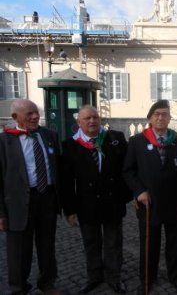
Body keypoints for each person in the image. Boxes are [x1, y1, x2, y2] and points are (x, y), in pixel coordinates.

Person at [123, 100, 177, 295]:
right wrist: (139, 192)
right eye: (157, 114)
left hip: (175, 204)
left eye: (165, 114)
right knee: (149, 244)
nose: (161, 117)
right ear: (150, 118)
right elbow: (128, 171)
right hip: (148, 204)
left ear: (170, 118)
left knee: (176, 244)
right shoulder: (137, 141)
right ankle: (147, 278)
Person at [60, 105, 131, 294]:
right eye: (87, 118)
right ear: (79, 122)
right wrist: (70, 210)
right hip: (86, 205)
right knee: (91, 243)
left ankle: (114, 277)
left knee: (113, 243)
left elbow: (127, 169)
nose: (92, 121)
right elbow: (66, 182)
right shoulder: (70, 145)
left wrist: (125, 197)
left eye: (95, 117)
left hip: (112, 203)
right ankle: (94, 277)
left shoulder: (115, 139)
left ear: (100, 119)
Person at [0, 99, 61, 294]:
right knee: (19, 250)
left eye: (36, 112)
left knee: (47, 245)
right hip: (18, 204)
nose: (35, 117)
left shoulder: (50, 135)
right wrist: (1, 213)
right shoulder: (4, 141)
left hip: (46, 198)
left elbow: (57, 167)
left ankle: (47, 283)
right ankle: (18, 288)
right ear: (15, 117)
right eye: (29, 114)